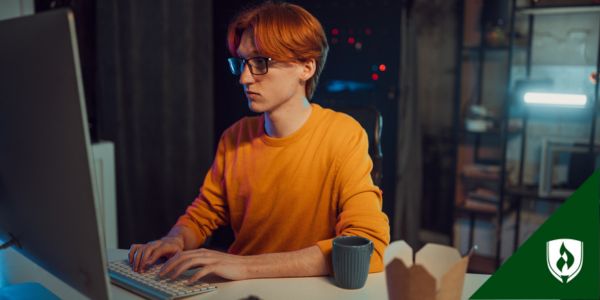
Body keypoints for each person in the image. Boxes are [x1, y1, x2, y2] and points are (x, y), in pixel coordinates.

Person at [129, 1, 390, 283]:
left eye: (260, 63)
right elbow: (203, 215)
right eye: (242, 63)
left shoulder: (343, 135)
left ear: (306, 67)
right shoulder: (235, 137)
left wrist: (245, 266)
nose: (244, 78)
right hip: (240, 289)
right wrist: (176, 239)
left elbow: (368, 246)